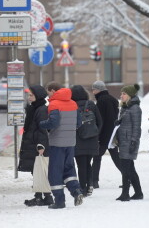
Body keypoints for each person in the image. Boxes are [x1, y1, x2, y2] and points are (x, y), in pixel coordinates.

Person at [39, 81, 84, 209]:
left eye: (48, 92)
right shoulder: (73, 103)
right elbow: (79, 123)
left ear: (53, 91)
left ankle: (59, 201)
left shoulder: (54, 104)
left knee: (55, 172)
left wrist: (42, 124)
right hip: (70, 142)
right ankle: (77, 191)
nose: (48, 95)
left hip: (57, 142)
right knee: (69, 169)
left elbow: (53, 123)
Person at [18, 85, 54, 207]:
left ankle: (46, 197)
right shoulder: (34, 108)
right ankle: (40, 196)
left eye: (31, 95)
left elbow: (42, 129)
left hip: (37, 146)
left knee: (40, 172)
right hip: (33, 144)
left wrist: (41, 146)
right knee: (37, 172)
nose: (29, 97)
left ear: (37, 96)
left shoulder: (41, 110)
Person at [71, 84, 102, 196]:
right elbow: (99, 121)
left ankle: (83, 187)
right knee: (88, 163)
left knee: (81, 165)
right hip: (92, 139)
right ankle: (90, 185)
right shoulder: (91, 104)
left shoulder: (72, 105)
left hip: (78, 139)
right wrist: (95, 133)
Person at [114, 83, 143, 201]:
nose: (121, 96)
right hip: (123, 141)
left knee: (126, 169)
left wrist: (133, 142)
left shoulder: (135, 108)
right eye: (121, 93)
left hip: (130, 142)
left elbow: (137, 127)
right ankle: (138, 193)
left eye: (124, 94)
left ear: (130, 95)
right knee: (130, 169)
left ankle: (125, 193)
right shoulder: (125, 107)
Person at [91, 80, 121, 189]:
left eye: (94, 89)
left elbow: (100, 120)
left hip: (104, 134)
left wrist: (98, 134)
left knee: (97, 157)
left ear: (99, 90)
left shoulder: (101, 101)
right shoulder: (113, 99)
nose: (93, 91)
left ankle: (94, 181)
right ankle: (128, 176)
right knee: (116, 156)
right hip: (112, 133)